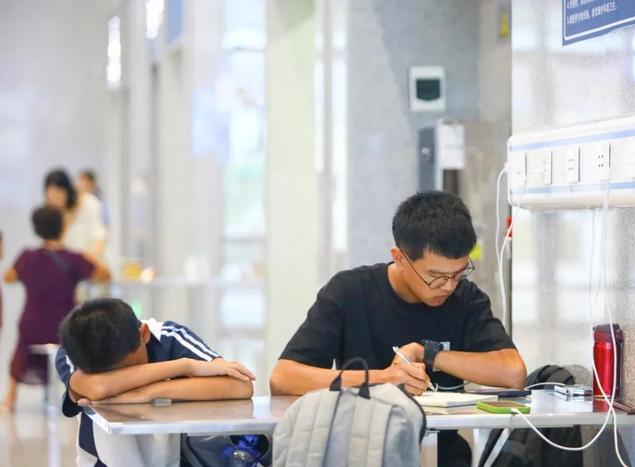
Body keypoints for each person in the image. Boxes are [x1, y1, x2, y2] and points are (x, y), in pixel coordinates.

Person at [269, 191, 527, 467]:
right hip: (363, 454)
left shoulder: (466, 299)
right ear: (400, 258)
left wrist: (429, 354)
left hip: (444, 457)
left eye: (458, 273)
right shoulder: (349, 292)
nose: (449, 286)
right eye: (436, 277)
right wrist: (383, 380)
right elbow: (283, 378)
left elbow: (513, 373)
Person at [56, 297, 256, 466]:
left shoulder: (169, 337)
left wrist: (148, 393)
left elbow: (239, 385)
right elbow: (99, 388)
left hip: (174, 457)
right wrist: (184, 366)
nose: (126, 381)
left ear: (144, 334)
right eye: (115, 376)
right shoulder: (75, 349)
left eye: (130, 367)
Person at [2, 206, 111, 410]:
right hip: (65, 328)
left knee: (21, 348)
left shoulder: (27, 257)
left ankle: (10, 397)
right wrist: (93, 253)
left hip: (32, 327)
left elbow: (8, 277)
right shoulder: (74, 259)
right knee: (81, 346)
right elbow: (105, 275)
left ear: (36, 228)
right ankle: (83, 390)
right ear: (63, 227)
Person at [44, 168, 107, 258]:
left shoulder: (88, 203)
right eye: (49, 196)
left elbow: (99, 239)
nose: (54, 200)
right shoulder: (52, 215)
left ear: (67, 191)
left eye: (57, 194)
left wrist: (82, 261)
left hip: (87, 262)